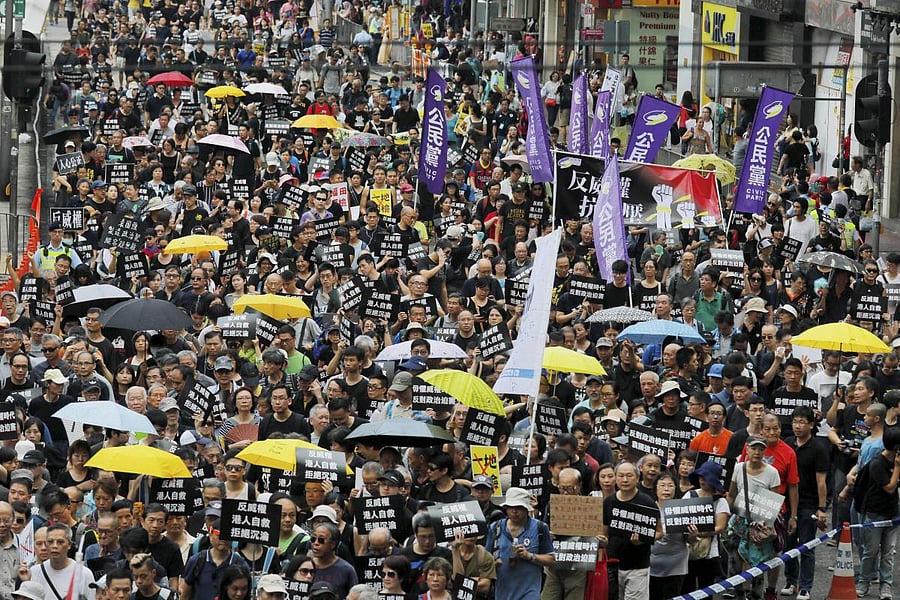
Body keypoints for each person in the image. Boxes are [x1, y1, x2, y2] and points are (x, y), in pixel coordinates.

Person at [484, 488, 554, 600]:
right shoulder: (495, 528)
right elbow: (485, 559)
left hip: (530, 591)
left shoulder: (540, 528)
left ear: (526, 508)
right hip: (502, 591)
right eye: (511, 507)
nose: (514, 511)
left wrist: (530, 556)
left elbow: (551, 559)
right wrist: (493, 564)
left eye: (519, 507)